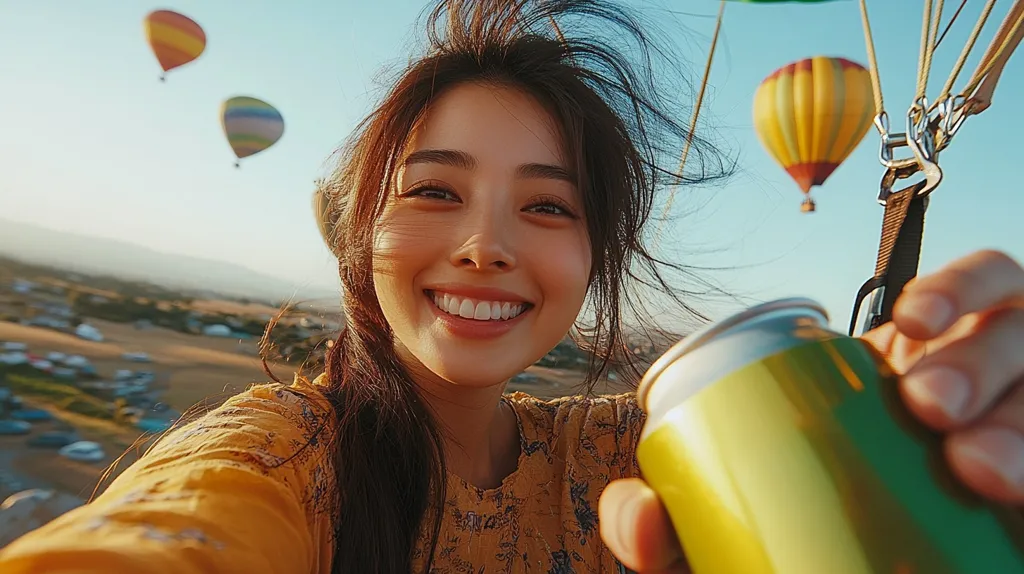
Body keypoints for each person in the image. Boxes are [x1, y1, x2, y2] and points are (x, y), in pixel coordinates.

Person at [3, 1, 1023, 572]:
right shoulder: (282, 457)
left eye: (547, 206)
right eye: (435, 191)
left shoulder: (644, 456)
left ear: (596, 258)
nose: (485, 245)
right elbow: (164, 535)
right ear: (357, 237)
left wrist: (944, 453)